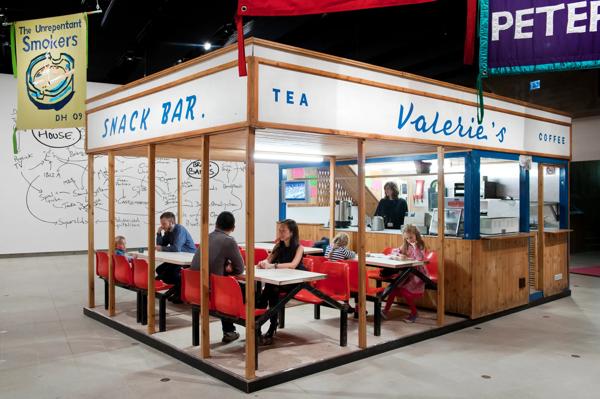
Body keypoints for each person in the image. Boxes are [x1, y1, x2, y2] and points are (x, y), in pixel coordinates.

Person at [190, 211, 245, 343]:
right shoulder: (228, 241)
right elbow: (240, 269)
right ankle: (238, 330)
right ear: (233, 228)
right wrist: (228, 268)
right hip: (211, 288)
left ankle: (229, 330)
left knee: (224, 285)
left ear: (216, 224)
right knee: (245, 291)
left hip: (193, 286)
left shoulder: (206, 237)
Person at [256, 219, 305, 345]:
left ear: (292, 232)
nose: (281, 233)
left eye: (283, 231)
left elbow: (293, 265)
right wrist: (263, 263)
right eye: (280, 230)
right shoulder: (278, 246)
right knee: (270, 289)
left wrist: (273, 266)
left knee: (271, 290)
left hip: (295, 281)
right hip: (279, 280)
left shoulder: (299, 248)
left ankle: (264, 324)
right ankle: (264, 324)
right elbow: (268, 260)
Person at [381, 224, 428, 323]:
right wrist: (399, 255)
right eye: (407, 238)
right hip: (407, 273)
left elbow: (419, 259)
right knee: (392, 290)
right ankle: (385, 311)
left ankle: (414, 313)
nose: (409, 240)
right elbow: (396, 251)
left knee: (405, 292)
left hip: (417, 275)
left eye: (411, 237)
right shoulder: (406, 245)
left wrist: (414, 247)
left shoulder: (420, 245)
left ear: (416, 234)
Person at [155, 212, 196, 303]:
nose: (162, 226)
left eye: (164, 224)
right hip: (178, 258)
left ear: (171, 222)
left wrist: (162, 248)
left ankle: (179, 292)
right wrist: (158, 233)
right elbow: (160, 245)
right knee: (159, 270)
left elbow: (176, 248)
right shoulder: (168, 231)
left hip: (188, 259)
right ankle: (178, 288)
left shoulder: (179, 229)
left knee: (172, 273)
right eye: (161, 224)